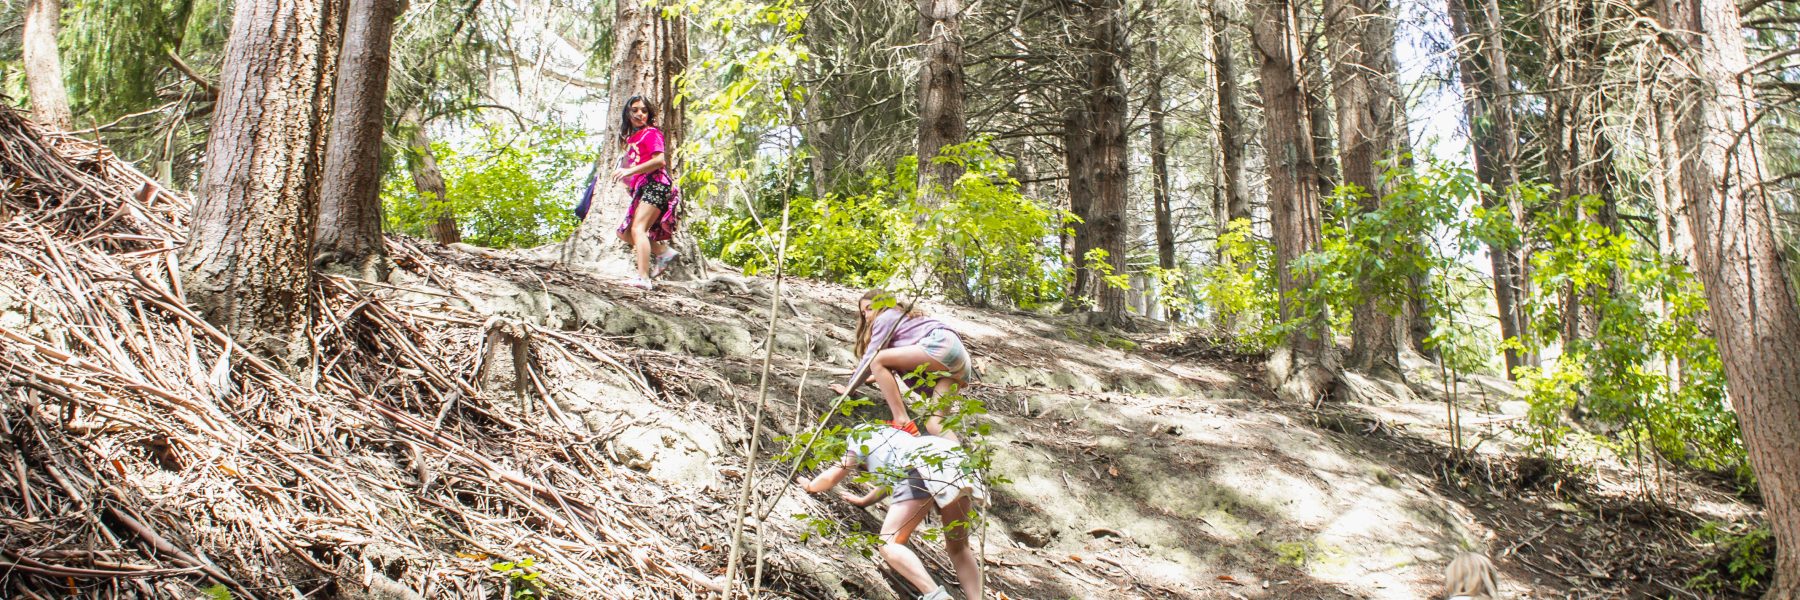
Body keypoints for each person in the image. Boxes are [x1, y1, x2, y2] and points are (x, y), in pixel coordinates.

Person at [798, 423, 986, 600]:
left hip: (922, 464)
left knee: (889, 542)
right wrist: (864, 501)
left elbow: (834, 475)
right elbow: (889, 482)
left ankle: (935, 595)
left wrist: (811, 486)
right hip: (957, 461)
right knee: (959, 548)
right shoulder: (893, 438)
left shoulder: (858, 438)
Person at [831, 290, 972, 437]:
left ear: (883, 305)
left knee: (876, 359)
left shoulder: (885, 317)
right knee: (936, 424)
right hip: (960, 362)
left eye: (870, 308)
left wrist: (849, 389)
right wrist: (874, 376)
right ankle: (957, 453)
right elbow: (897, 361)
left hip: (942, 345)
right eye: (863, 312)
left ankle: (901, 419)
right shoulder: (904, 318)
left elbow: (871, 358)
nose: (866, 315)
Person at [610, 95, 680, 289]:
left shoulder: (651, 133)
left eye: (644, 110)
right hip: (644, 187)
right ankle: (663, 252)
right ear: (628, 113)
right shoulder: (632, 138)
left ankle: (643, 278)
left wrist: (629, 171)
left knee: (638, 229)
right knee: (624, 233)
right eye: (634, 110)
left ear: (649, 114)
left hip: (656, 184)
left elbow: (659, 161)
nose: (639, 114)